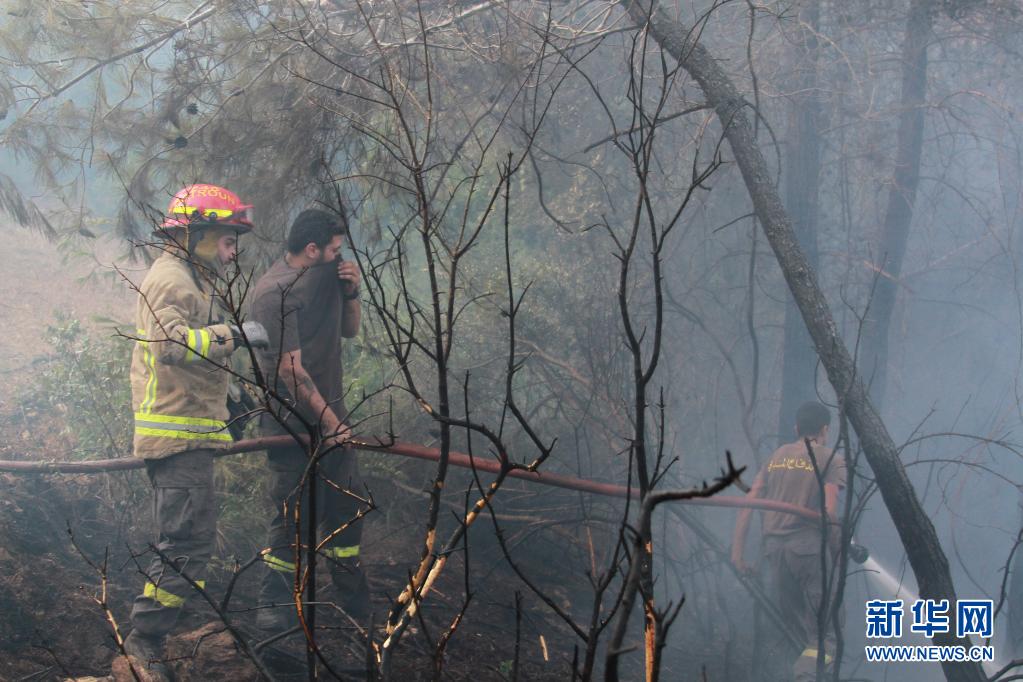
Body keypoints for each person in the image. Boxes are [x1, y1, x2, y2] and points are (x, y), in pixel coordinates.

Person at [122, 184, 269, 677]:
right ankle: (144, 640)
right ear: (196, 235)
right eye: (227, 241)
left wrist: (232, 399)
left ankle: (155, 636)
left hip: (189, 438)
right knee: (185, 545)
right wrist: (234, 335)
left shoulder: (191, 279)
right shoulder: (172, 280)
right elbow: (170, 346)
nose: (232, 253)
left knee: (189, 543)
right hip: (176, 441)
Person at [249, 207, 368, 632]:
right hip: (290, 425)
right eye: (334, 249)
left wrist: (352, 292)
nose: (340, 256)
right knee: (292, 516)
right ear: (312, 249)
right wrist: (330, 424)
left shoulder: (329, 272)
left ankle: (353, 604)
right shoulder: (273, 293)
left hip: (333, 415)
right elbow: (290, 370)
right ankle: (273, 609)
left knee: (348, 505)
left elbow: (350, 331)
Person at [731, 401, 847, 682]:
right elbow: (829, 513)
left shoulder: (776, 457)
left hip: (775, 553)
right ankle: (805, 678)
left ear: (796, 429)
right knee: (826, 636)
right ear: (825, 429)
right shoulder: (830, 459)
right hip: (808, 552)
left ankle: (805, 673)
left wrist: (737, 554)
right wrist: (837, 554)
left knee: (801, 631)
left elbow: (749, 504)